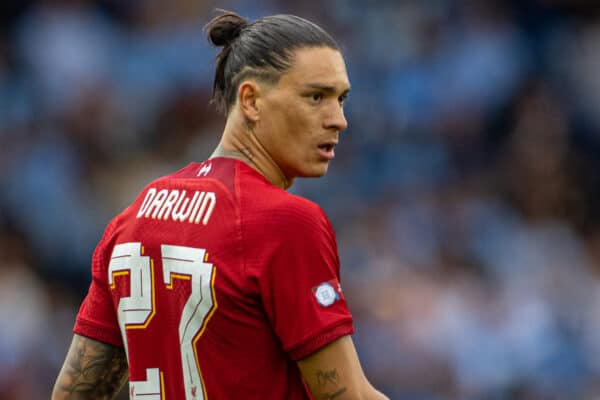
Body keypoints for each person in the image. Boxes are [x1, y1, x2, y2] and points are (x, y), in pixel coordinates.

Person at [52, 10, 389, 400]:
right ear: (250, 100)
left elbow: (72, 394)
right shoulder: (285, 222)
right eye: (315, 97)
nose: (339, 120)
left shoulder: (135, 216)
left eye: (341, 98)